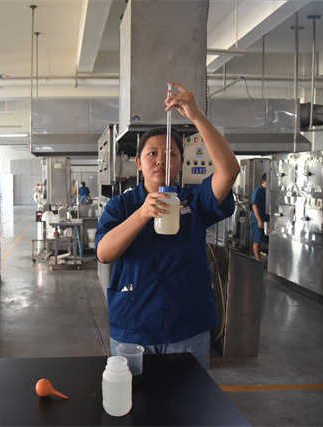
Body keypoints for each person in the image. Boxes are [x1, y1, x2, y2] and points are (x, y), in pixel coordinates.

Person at [95, 83, 240, 370]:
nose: (161, 159)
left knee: (189, 396)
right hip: (134, 326)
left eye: (171, 154)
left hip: (187, 327)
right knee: (133, 396)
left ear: (180, 163)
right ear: (138, 163)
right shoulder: (121, 207)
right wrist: (142, 214)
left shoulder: (195, 201)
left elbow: (229, 171)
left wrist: (196, 115)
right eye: (152, 154)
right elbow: (104, 253)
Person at [251, 173, 268, 261]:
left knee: (263, 240)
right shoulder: (257, 191)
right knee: (257, 241)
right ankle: (258, 261)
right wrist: (259, 220)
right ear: (263, 181)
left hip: (266, 218)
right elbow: (255, 206)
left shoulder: (267, 192)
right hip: (258, 219)